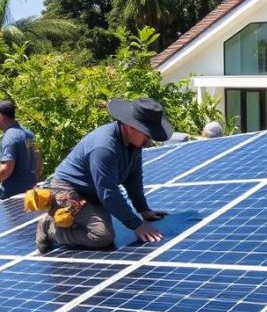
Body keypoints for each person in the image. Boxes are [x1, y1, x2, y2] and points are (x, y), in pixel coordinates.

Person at [36, 97, 173, 252]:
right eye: (147, 134)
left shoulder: (135, 144)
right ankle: (50, 228)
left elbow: (133, 179)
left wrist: (143, 209)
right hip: (68, 188)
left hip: (93, 192)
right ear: (130, 126)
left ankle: (74, 221)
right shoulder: (104, 148)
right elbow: (108, 193)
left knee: (104, 225)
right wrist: (137, 225)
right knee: (102, 236)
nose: (149, 140)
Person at [0, 100, 41, 201]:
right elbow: (39, 162)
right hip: (30, 194)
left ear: (1, 117)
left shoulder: (9, 137)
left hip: (13, 198)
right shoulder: (30, 135)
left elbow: (6, 167)